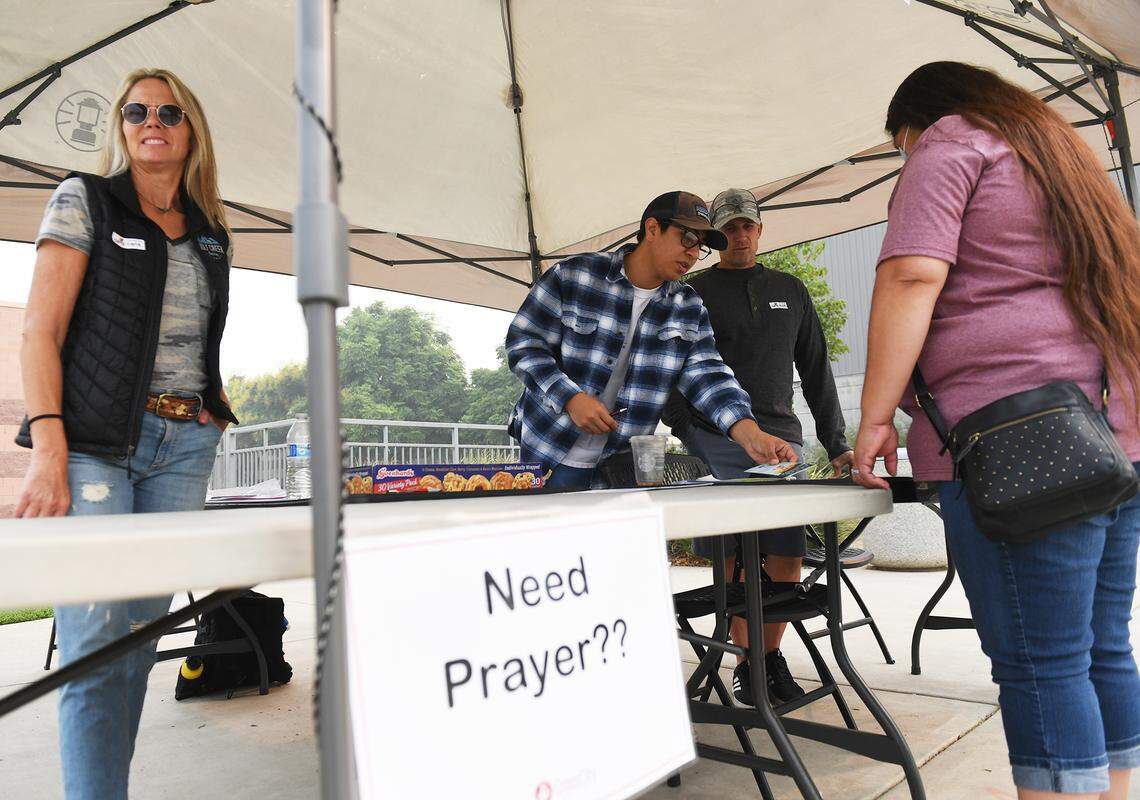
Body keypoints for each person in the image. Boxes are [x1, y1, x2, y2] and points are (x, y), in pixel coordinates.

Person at [852, 61, 1140, 799]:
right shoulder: (1060, 153)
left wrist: (877, 415)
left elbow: (911, 276)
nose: (906, 157)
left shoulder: (952, 142)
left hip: (1021, 445)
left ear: (921, 121)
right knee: (1100, 649)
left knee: (1041, 663)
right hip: (1115, 435)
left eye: (901, 145)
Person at [14, 68, 238, 799]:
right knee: (92, 650)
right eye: (136, 110)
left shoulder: (211, 234)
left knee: (138, 648)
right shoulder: (86, 199)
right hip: (94, 448)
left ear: (191, 129)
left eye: (170, 111)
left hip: (184, 450)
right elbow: (39, 332)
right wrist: (48, 450)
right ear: (121, 125)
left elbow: (194, 342)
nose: (152, 121)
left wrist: (209, 403)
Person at [661, 188, 853, 706]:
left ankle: (766, 658)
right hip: (715, 438)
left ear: (760, 229)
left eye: (748, 225)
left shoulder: (789, 289)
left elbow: (816, 369)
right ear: (715, 237)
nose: (740, 236)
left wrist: (837, 444)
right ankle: (744, 662)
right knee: (728, 559)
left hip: (782, 439)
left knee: (785, 554)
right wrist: (691, 430)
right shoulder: (691, 291)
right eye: (729, 230)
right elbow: (670, 375)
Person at [505, 190, 797, 490]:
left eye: (700, 246)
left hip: (620, 466)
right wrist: (570, 398)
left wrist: (752, 434)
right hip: (549, 454)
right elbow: (524, 343)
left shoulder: (687, 306)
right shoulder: (574, 275)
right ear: (653, 229)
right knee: (553, 538)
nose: (693, 254)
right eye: (687, 238)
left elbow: (709, 378)